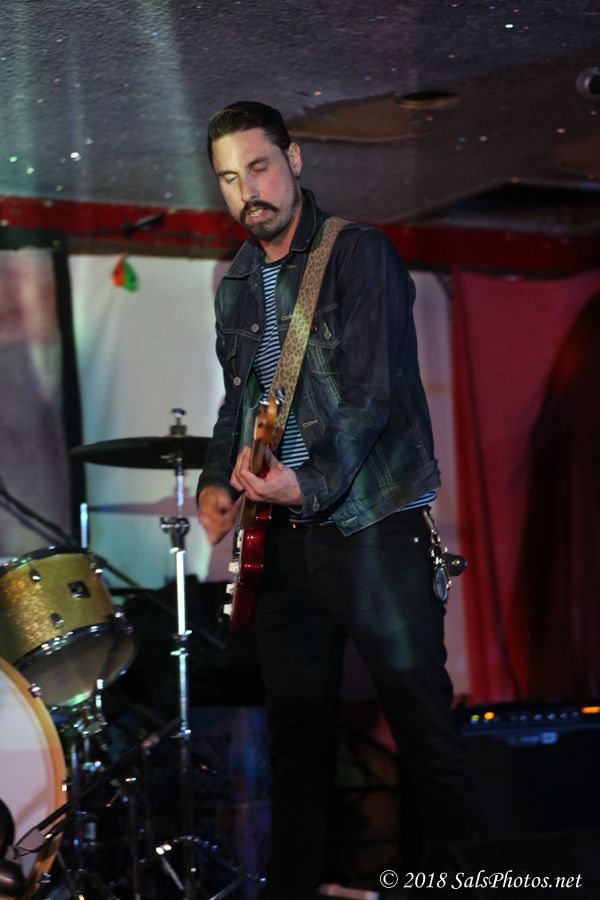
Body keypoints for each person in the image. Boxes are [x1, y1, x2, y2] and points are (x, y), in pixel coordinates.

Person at [196, 101, 481, 899]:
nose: (246, 190)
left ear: (293, 160)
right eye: (228, 178)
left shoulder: (358, 254)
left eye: (258, 167)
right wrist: (219, 480)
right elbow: (237, 401)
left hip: (374, 525)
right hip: (284, 539)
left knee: (422, 727)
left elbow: (370, 395)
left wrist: (309, 478)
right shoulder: (235, 283)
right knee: (296, 742)